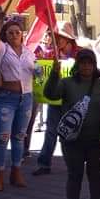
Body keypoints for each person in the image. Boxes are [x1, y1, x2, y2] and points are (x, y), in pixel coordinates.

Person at [45, 48, 100, 199]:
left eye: (90, 63)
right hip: (72, 141)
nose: (86, 66)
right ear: (77, 64)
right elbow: (50, 94)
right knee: (74, 174)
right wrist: (54, 75)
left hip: (96, 141)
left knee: (96, 175)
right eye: (83, 63)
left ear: (94, 65)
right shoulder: (66, 83)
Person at [0, 11, 35, 192]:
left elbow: (36, 72)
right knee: (3, 137)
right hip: (5, 99)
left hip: (26, 98)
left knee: (19, 137)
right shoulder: (2, 50)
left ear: (22, 34)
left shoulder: (29, 53)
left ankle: (16, 172)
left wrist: (43, 71)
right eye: (10, 32)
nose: (14, 35)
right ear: (5, 35)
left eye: (17, 32)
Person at [33, 23, 79, 176]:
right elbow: (39, 70)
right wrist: (38, 66)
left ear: (68, 40)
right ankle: (44, 163)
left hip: (72, 101)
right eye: (56, 36)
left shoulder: (80, 55)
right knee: (51, 131)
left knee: (72, 133)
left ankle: (75, 164)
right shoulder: (51, 54)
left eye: (60, 37)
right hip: (54, 100)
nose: (57, 40)